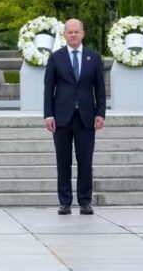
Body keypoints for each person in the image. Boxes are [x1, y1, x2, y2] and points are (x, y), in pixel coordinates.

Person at [44, 19, 105, 215]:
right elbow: (48, 89)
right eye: (69, 32)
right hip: (61, 117)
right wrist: (48, 115)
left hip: (86, 117)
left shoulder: (94, 58)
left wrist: (100, 113)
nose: (73, 35)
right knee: (63, 161)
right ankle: (65, 201)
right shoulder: (56, 58)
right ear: (64, 35)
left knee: (85, 160)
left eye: (76, 32)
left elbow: (100, 90)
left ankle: (85, 201)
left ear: (82, 33)